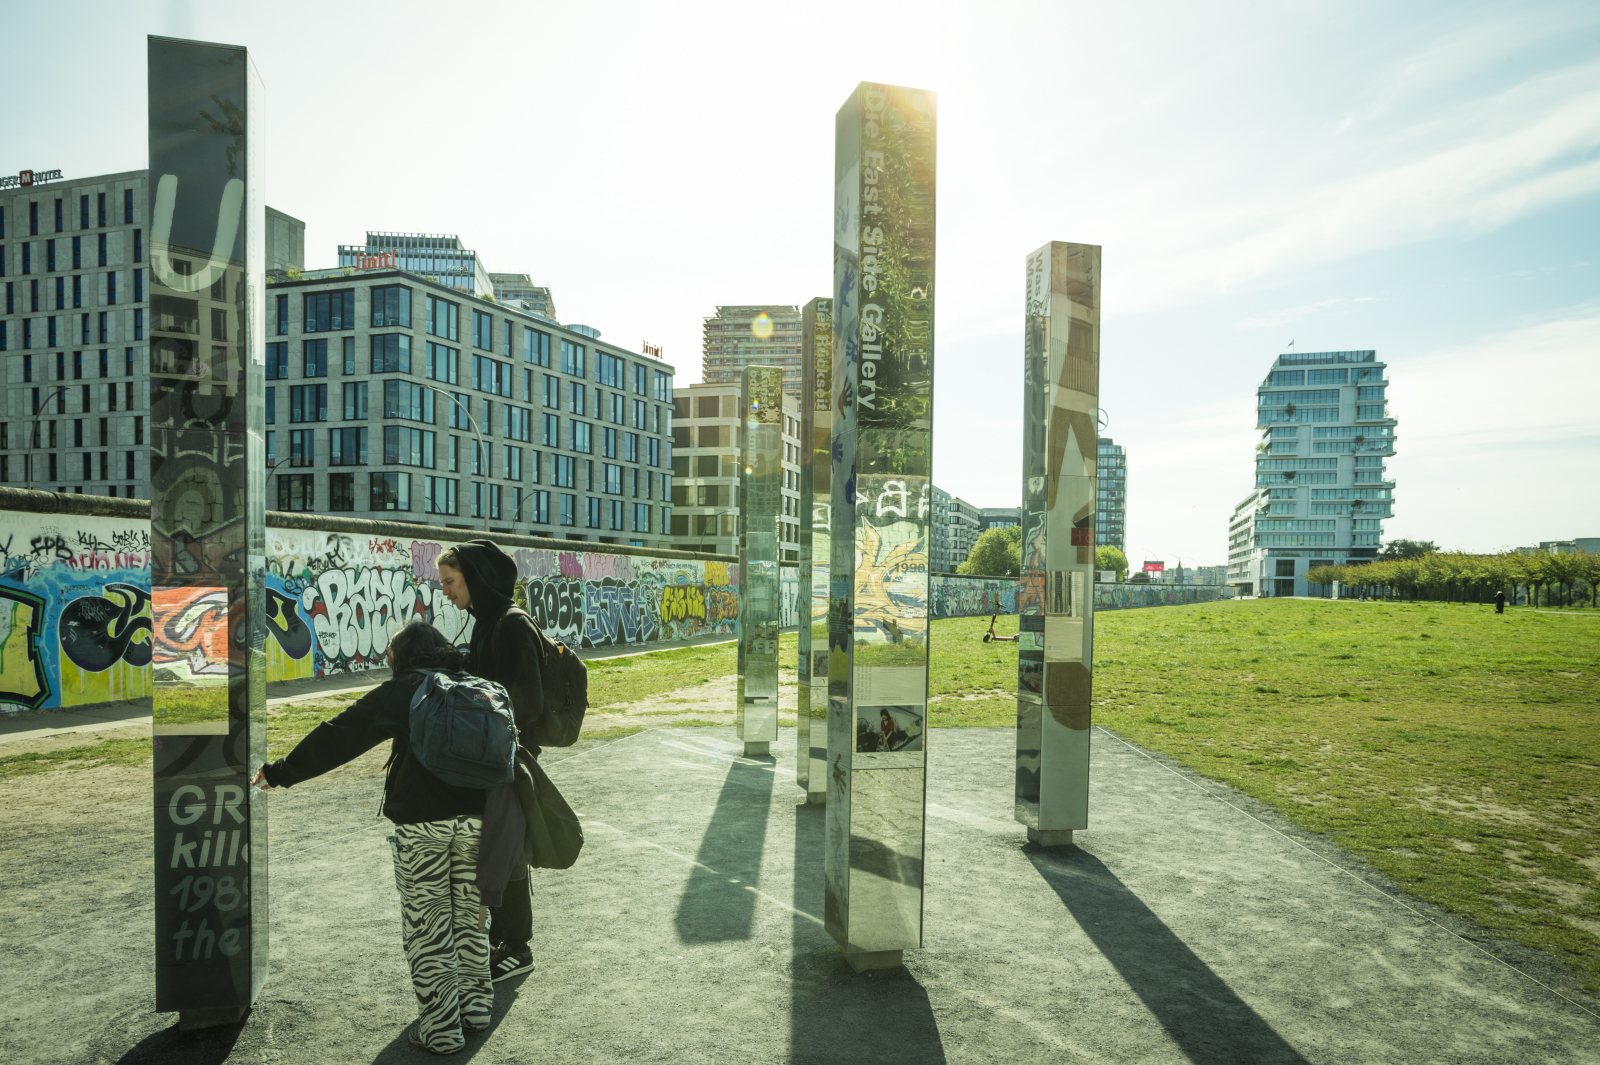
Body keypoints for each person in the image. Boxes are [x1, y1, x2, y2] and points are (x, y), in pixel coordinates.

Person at [251, 620, 491, 1055]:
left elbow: (341, 734)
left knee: (429, 922)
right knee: (471, 915)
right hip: (479, 818)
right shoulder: (473, 682)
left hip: (424, 823)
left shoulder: (408, 689)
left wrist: (281, 772)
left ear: (402, 657)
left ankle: (441, 1028)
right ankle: (475, 1009)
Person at [436, 540, 548, 984]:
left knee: (508, 855)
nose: (444, 591)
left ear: (474, 578)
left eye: (450, 581)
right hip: (489, 760)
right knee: (494, 854)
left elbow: (528, 702)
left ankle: (518, 948)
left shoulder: (511, 624)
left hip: (506, 761)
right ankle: (503, 939)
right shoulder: (486, 622)